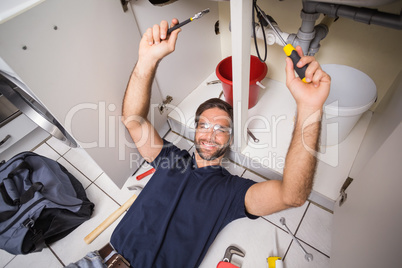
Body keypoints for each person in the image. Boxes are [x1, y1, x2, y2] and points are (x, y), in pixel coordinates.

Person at [67, 18, 330, 268]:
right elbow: (133, 121)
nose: (209, 134)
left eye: (220, 128)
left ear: (230, 139)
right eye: (203, 125)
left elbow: (292, 195)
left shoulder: (232, 192)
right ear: (195, 131)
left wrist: (309, 109)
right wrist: (147, 61)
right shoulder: (169, 158)